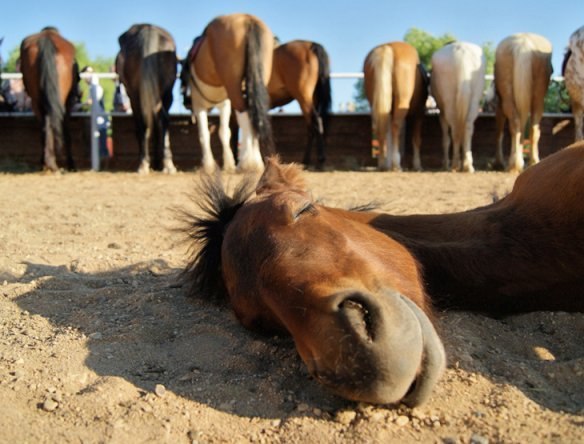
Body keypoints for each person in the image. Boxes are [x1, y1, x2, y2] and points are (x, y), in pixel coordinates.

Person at [81, 66, 111, 163]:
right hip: (95, 121)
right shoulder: (89, 88)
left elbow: (91, 101)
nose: (87, 76)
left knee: (101, 144)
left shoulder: (96, 87)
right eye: (86, 73)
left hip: (100, 121)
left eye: (90, 73)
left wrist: (79, 105)